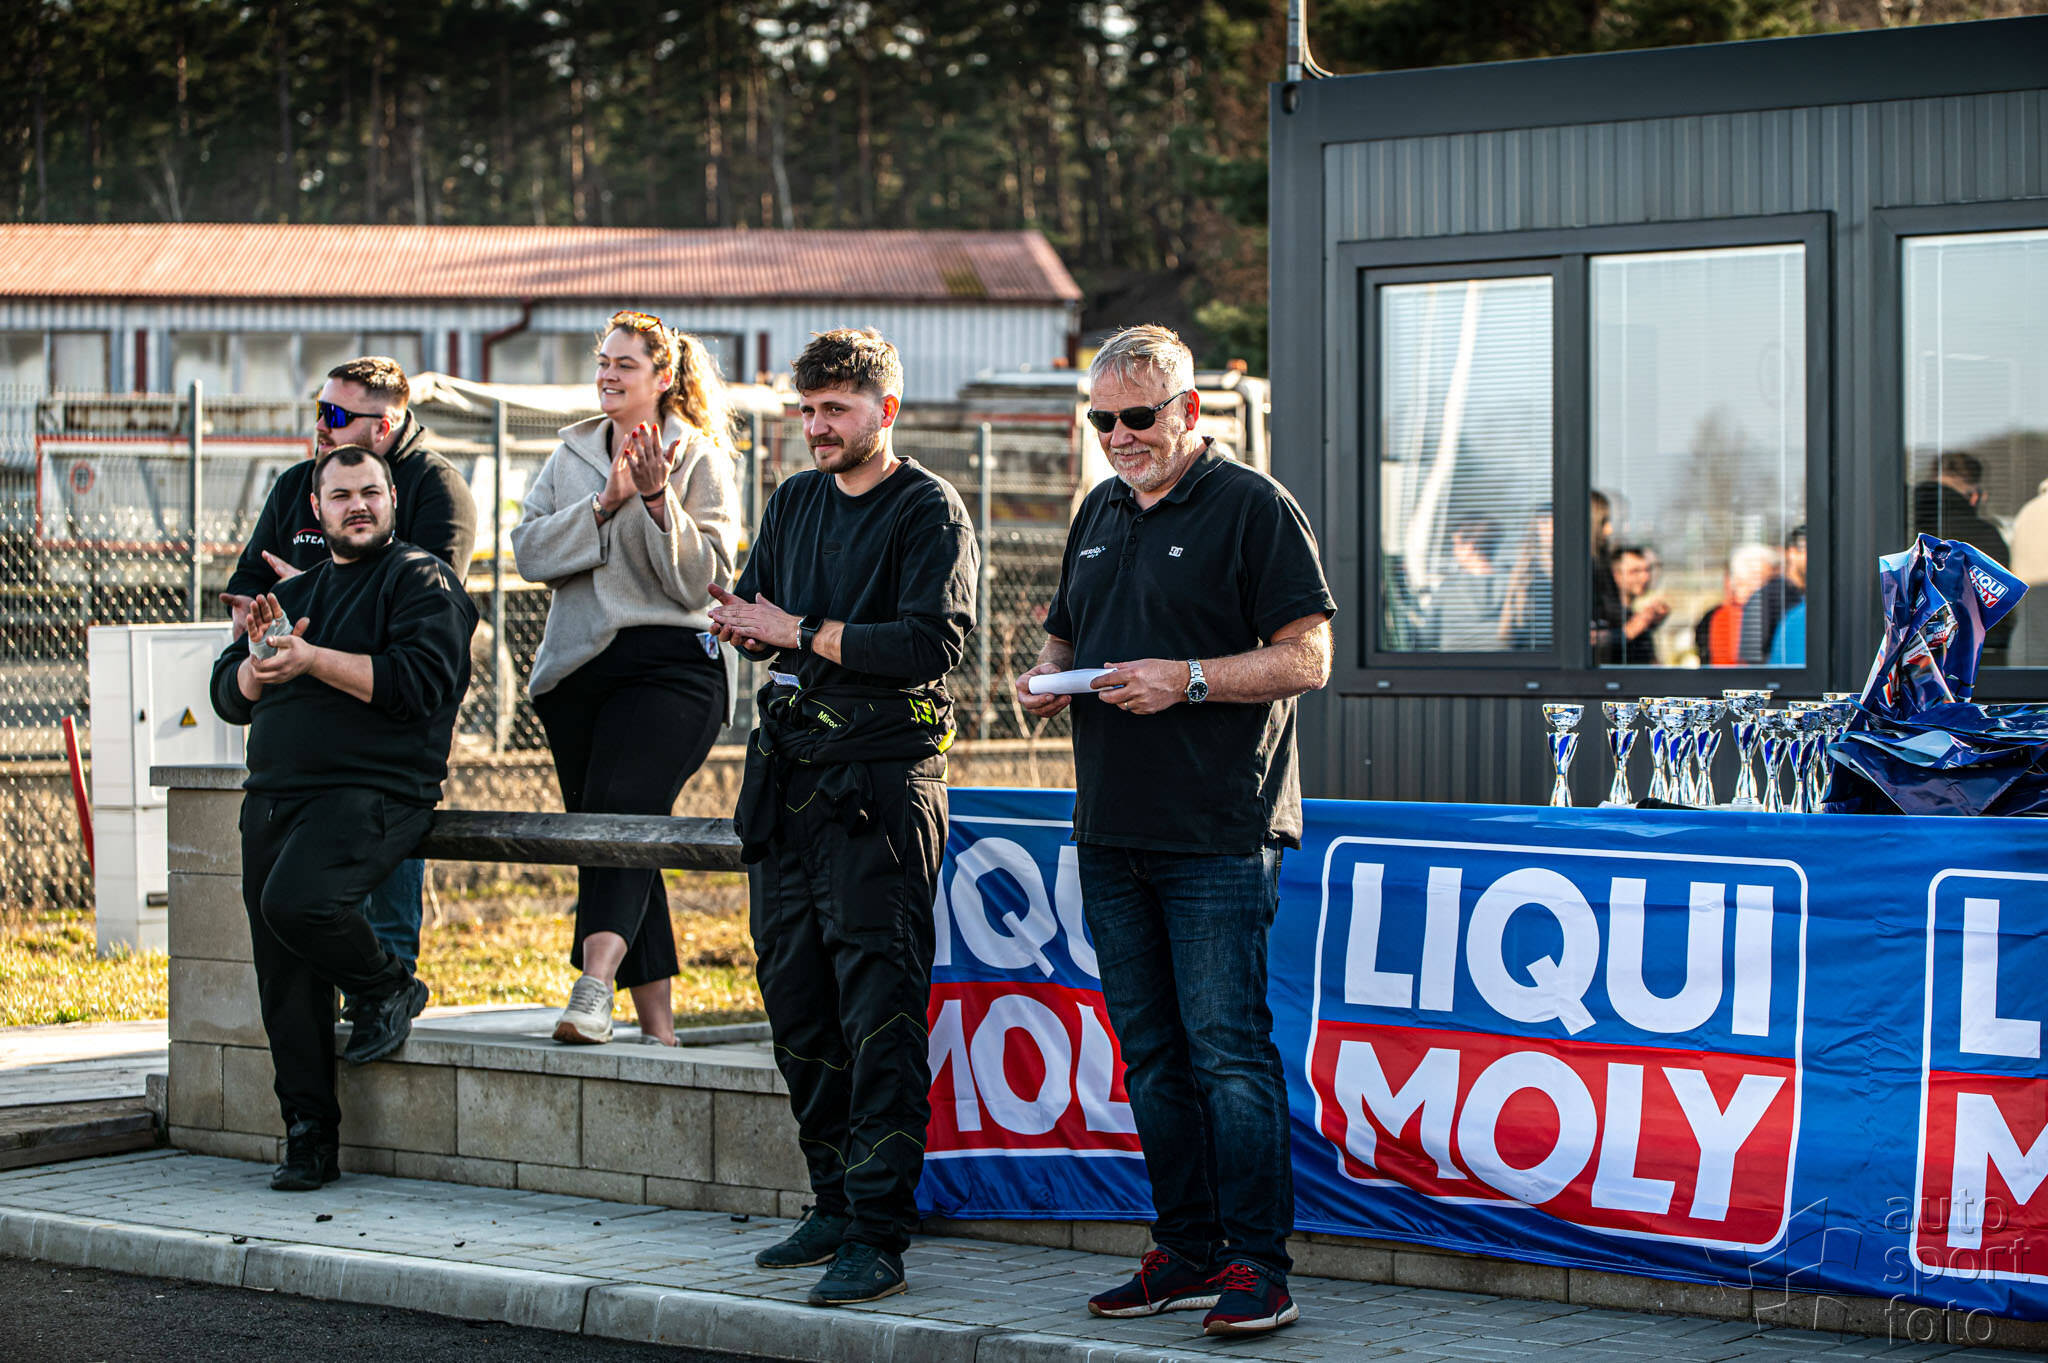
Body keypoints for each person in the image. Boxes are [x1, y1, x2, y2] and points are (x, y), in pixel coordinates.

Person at [1016, 324, 1335, 1338]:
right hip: (1111, 827)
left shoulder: (1252, 505)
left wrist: (1186, 679)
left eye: (1138, 416)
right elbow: (1064, 632)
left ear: (1189, 410)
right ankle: (1186, 1249)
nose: (1119, 436)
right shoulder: (1098, 509)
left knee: (1226, 1053)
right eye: (1101, 420)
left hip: (1218, 830)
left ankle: (1259, 1266)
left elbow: (1309, 657)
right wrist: (1045, 678)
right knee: (1151, 1055)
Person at [706, 328, 976, 1308]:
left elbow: (931, 643)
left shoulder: (927, 508)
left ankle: (876, 1231)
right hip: (788, 786)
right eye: (807, 410)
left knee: (879, 1013)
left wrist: (795, 631)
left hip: (882, 790)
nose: (816, 427)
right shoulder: (792, 500)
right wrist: (743, 626)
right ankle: (830, 1199)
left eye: (835, 409)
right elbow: (763, 614)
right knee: (796, 1003)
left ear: (884, 411)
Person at [208, 443, 478, 1192]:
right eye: (341, 495)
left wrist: (309, 659)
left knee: (297, 903)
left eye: (370, 492)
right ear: (317, 510)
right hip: (274, 797)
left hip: (373, 793)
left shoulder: (421, 579)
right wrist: (258, 667)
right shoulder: (294, 592)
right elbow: (225, 693)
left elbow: (420, 684)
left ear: (392, 500)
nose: (357, 505)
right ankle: (308, 1137)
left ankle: (386, 984)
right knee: (282, 975)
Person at [507, 313, 743, 1047]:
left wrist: (655, 499)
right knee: (613, 838)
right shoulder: (571, 452)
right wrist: (605, 502)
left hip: (672, 666)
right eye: (603, 362)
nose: (608, 374)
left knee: (623, 812)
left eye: (625, 364)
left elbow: (702, 584)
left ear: (662, 377)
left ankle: (593, 983)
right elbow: (529, 554)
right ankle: (659, 1031)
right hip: (578, 671)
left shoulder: (698, 457)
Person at [218, 356, 477, 998]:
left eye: (335, 414)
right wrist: (293, 604)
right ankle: (351, 1011)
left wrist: (314, 597)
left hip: (383, 752)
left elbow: (422, 618)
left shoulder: (436, 489)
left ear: (383, 427)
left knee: (376, 905)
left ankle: (385, 1000)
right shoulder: (297, 484)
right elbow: (248, 592)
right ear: (318, 503)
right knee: (293, 928)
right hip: (299, 748)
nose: (321, 425)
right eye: (319, 409)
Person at [1430, 512, 1502, 651]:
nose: (1454, 551)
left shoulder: (1450, 587)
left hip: (1456, 661)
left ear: (1470, 546)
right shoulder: (1513, 584)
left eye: (1456, 545)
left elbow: (1427, 636)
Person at [1740, 524, 1806, 664]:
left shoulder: (1819, 598)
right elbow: (1753, 657)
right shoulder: (1766, 598)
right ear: (1792, 553)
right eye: (1807, 550)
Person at [1596, 545, 1667, 665]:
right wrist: (1630, 630)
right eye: (1635, 571)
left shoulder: (1633, 613)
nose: (1645, 578)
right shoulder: (1602, 610)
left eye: (1647, 570)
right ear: (1616, 575)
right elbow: (1588, 643)